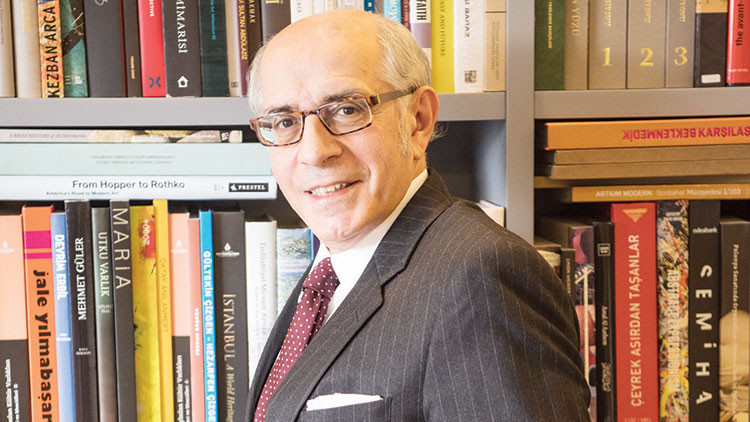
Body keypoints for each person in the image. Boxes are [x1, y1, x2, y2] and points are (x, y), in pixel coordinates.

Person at [244, 9, 590, 421]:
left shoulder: (481, 277)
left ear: (418, 120)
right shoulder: (330, 271)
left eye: (347, 109)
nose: (315, 152)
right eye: (285, 121)